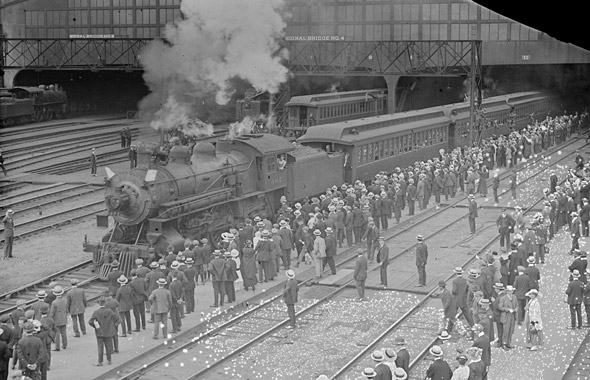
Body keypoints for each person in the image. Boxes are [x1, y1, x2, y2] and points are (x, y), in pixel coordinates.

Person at [88, 297, 119, 366]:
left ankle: (100, 362)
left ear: (99, 303)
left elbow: (90, 322)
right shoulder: (109, 311)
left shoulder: (96, 312)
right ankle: (109, 360)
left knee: (100, 346)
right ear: (105, 303)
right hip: (108, 331)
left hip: (99, 332)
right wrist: (113, 326)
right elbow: (117, 318)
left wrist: (96, 327)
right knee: (108, 346)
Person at [498, 285, 518, 350]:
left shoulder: (514, 297)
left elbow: (517, 305)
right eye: (509, 291)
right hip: (506, 316)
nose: (511, 292)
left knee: (511, 330)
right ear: (507, 291)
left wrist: (515, 309)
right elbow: (500, 307)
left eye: (511, 291)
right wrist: (508, 309)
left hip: (513, 316)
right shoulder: (503, 298)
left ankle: (508, 343)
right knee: (506, 330)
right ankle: (504, 343)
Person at [49, 285, 67, 351]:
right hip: (64, 318)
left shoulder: (54, 302)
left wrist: (51, 319)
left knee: (57, 333)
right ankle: (65, 345)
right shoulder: (65, 300)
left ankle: (57, 347)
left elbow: (52, 313)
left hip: (56, 319)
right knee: (64, 332)